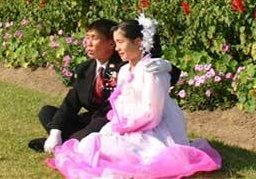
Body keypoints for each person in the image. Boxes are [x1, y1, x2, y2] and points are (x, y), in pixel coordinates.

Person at [47, 17, 222, 178]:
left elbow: (152, 115)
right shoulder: (123, 70)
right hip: (126, 123)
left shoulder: (153, 70)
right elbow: (118, 102)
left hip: (151, 129)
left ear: (138, 42)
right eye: (116, 42)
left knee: (105, 147)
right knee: (89, 143)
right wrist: (117, 123)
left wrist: (125, 126)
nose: (117, 48)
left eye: (120, 42)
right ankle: (66, 136)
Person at [32, 19, 178, 151]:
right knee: (47, 113)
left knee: (83, 145)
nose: (88, 43)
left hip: (108, 120)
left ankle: (68, 142)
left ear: (110, 43)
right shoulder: (85, 68)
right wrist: (55, 131)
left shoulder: (125, 63)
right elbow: (70, 103)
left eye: (94, 38)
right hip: (89, 119)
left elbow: (153, 70)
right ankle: (64, 139)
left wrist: (167, 65)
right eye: (87, 38)